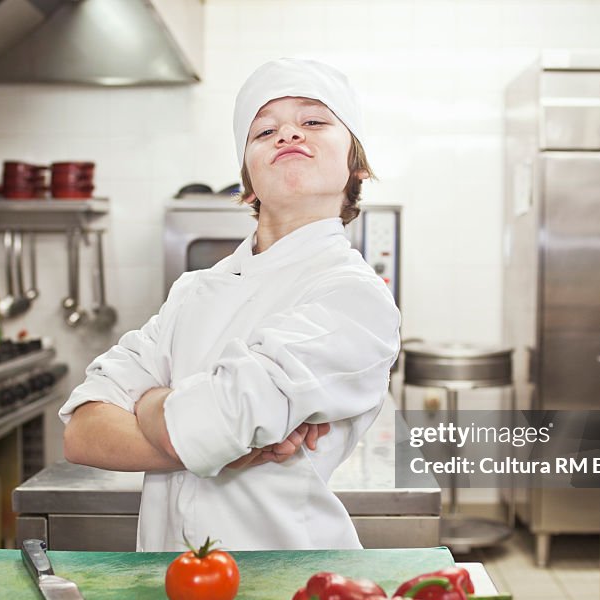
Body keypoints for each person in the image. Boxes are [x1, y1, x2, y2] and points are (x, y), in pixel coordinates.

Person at [59, 58, 401, 552]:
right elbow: (83, 433)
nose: (288, 135)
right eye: (264, 131)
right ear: (247, 177)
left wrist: (150, 401)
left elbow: (207, 427)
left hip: (285, 587)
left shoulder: (353, 295)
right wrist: (196, 434)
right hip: (170, 587)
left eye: (314, 121)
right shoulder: (194, 290)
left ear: (357, 163)